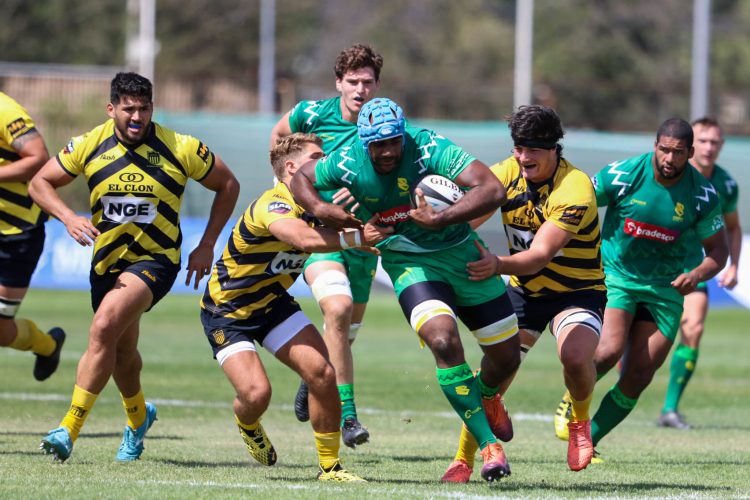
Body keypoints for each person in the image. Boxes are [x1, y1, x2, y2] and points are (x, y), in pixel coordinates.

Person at [291, 97, 521, 483]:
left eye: (394, 142)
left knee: (506, 358)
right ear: (364, 142)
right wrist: (321, 207)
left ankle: (488, 395)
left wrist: (441, 218)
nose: (387, 151)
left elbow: (492, 189)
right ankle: (489, 448)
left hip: (463, 257)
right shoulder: (346, 160)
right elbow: (301, 178)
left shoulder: (429, 146)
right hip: (409, 262)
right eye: (378, 145)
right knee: (444, 342)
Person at [29, 72, 239, 462]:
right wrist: (67, 218)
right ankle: (138, 418)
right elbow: (39, 182)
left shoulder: (181, 147)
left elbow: (228, 184)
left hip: (156, 261)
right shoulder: (90, 143)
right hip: (106, 262)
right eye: (128, 109)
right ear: (111, 110)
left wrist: (207, 243)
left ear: (152, 109)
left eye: (144, 108)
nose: (137, 116)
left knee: (104, 325)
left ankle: (68, 429)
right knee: (122, 352)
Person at [200, 133, 389, 481]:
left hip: (273, 305)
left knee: (323, 373)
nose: (325, 163)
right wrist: (358, 238)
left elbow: (358, 226)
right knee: (257, 394)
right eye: (317, 157)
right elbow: (302, 239)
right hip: (228, 312)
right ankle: (247, 422)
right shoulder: (274, 203)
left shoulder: (318, 204)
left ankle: (330, 467)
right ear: (291, 167)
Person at [441, 105, 606, 481]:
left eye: (532, 148)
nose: (522, 156)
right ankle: (465, 458)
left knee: (576, 357)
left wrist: (495, 265)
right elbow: (467, 219)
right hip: (525, 292)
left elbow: (539, 256)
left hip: (576, 291)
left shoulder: (575, 188)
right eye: (518, 146)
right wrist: (436, 222)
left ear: (553, 149)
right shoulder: (506, 173)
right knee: (492, 376)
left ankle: (580, 425)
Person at [553, 117, 728, 455]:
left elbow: (719, 251)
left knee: (640, 373)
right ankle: (572, 401)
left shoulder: (703, 194)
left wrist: (698, 274)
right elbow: (580, 201)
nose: (669, 158)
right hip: (617, 277)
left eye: (678, 152)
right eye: (664, 149)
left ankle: (589, 440)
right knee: (607, 351)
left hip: (666, 288)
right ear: (655, 146)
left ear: (690, 153)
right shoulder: (623, 175)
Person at [270, 43, 384, 447]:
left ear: (376, 85)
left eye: (367, 82)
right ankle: (348, 416)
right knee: (336, 309)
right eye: (352, 81)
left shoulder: (386, 126)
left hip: (364, 241)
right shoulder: (311, 114)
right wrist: (292, 194)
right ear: (339, 82)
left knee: (345, 332)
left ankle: (316, 375)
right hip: (321, 236)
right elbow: (280, 138)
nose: (360, 89)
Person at [658, 117, 741, 429]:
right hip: (651, 267)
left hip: (694, 269)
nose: (709, 147)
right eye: (704, 141)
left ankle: (669, 409)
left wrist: (733, 264)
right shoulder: (669, 174)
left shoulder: (726, 185)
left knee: (693, 329)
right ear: (691, 148)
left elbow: (732, 227)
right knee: (623, 343)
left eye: (715, 142)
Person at [0, 92, 65, 381]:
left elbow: (39, 158)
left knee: (2, 332)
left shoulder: (5, 111)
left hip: (16, 235)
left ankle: (48, 346)